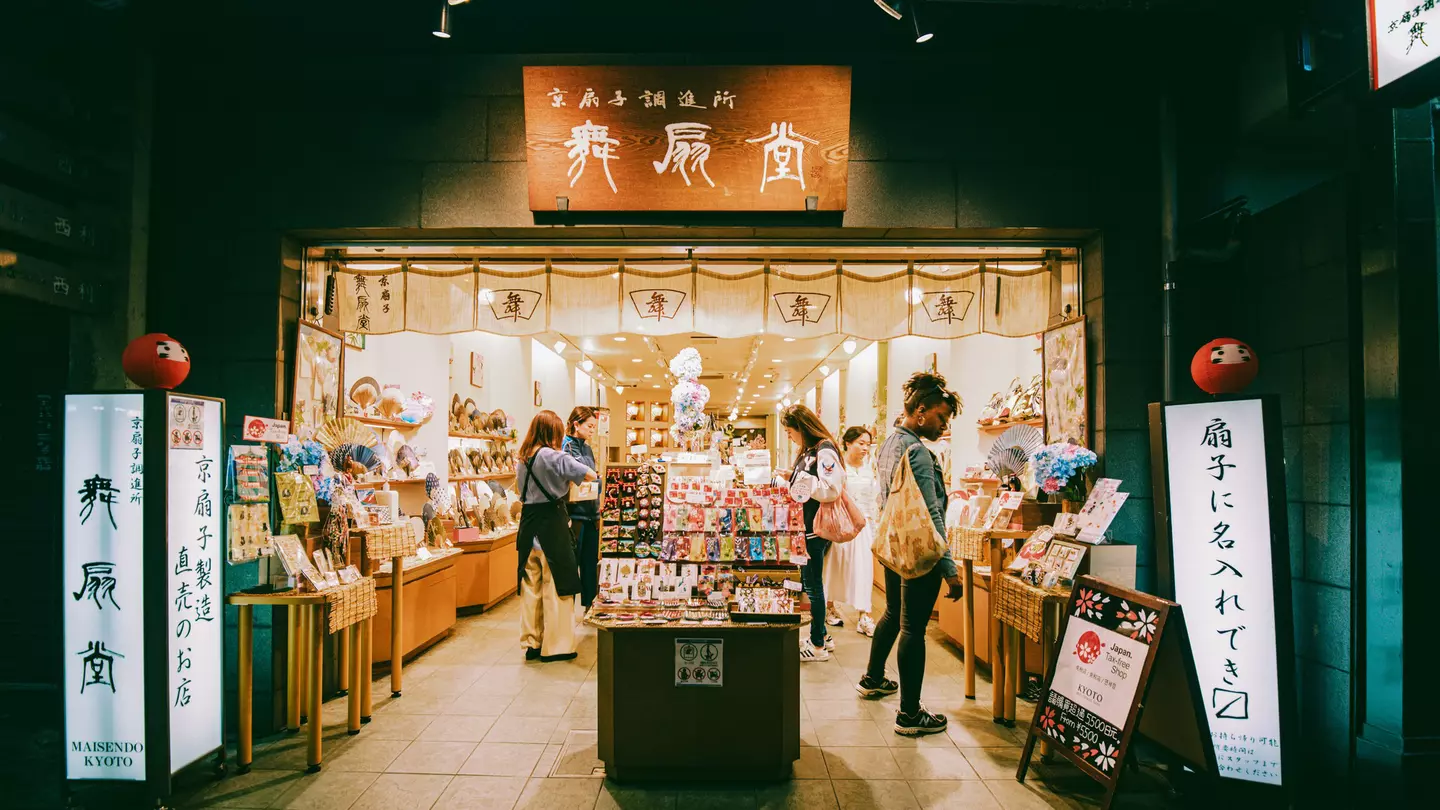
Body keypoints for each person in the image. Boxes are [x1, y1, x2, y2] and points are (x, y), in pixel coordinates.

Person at [858, 371, 965, 736]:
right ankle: (909, 714)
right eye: (941, 417)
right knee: (913, 629)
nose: (943, 424)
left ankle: (873, 677)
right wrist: (949, 566)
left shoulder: (889, 444)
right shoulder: (918, 451)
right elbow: (931, 511)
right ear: (921, 411)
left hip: (893, 544)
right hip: (920, 551)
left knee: (891, 612)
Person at [515, 410, 597, 662]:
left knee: (531, 587)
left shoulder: (523, 457)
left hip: (528, 527)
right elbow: (590, 475)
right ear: (555, 432)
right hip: (552, 526)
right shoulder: (554, 456)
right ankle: (557, 645)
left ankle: (532, 642)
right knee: (558, 585)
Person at [778, 404, 845, 662]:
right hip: (806, 526)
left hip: (816, 529)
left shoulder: (824, 450)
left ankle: (817, 644)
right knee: (812, 583)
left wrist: (797, 481)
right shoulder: (809, 451)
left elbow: (831, 488)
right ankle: (823, 635)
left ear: (802, 428)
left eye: (789, 430)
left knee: (813, 586)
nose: (788, 435)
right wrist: (791, 474)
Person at [823, 426, 877, 637]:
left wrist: (874, 523)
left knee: (863, 569)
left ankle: (864, 614)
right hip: (841, 526)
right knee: (835, 566)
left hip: (864, 525)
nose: (865, 448)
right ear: (848, 443)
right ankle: (830, 607)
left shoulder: (869, 468)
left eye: (868, 444)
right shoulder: (839, 466)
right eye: (861, 443)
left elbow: (874, 498)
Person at [562, 406, 601, 609]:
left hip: (591, 513)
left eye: (595, 426)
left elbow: (593, 478)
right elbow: (581, 476)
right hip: (575, 514)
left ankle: (589, 607)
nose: (593, 430)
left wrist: (593, 479)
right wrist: (594, 479)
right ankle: (567, 610)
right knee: (572, 564)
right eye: (590, 426)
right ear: (576, 424)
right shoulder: (566, 446)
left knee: (589, 564)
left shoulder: (586, 447)